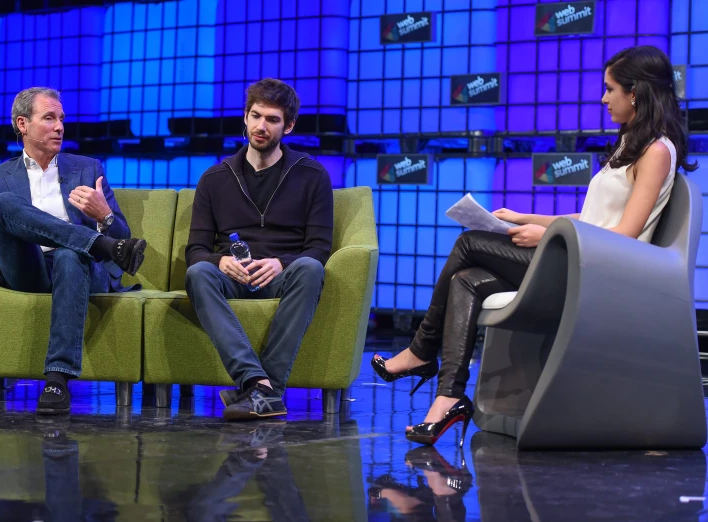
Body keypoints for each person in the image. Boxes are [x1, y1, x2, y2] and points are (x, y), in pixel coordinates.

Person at [371, 45, 698, 446]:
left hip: (602, 274)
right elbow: (594, 220)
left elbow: (626, 235)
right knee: (468, 280)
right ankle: (448, 399)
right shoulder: (631, 143)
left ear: (635, 93)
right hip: (581, 257)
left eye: (610, 89)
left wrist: (547, 237)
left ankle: (421, 350)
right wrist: (528, 218)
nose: (603, 98)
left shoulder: (656, 151)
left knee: (471, 243)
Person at [0, 87, 147, 416]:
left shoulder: (88, 168)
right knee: (6, 205)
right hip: (29, 266)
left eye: (62, 119)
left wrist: (104, 217)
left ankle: (57, 379)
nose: (60, 127)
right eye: (49, 118)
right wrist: (25, 228)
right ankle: (93, 243)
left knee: (71, 254)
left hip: (82, 270)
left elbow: (123, 239)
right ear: (22, 124)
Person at [185, 78, 333, 420]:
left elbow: (319, 247)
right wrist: (219, 261)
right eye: (255, 116)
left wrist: (282, 263)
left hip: (282, 274)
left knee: (311, 269)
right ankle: (258, 383)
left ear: (289, 125)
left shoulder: (312, 175)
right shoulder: (214, 178)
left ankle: (265, 391)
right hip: (232, 275)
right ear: (245, 117)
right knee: (198, 273)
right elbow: (196, 249)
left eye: (272, 119)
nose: (260, 126)